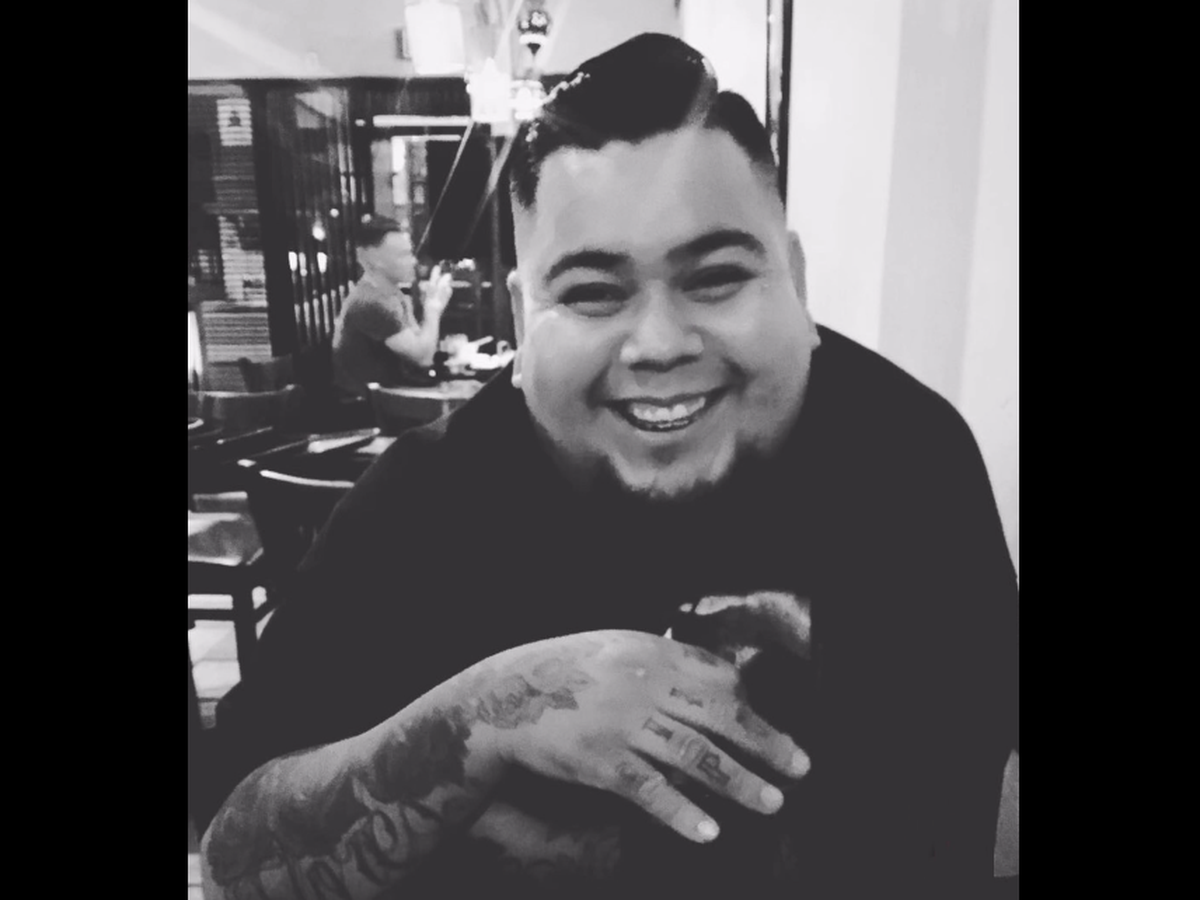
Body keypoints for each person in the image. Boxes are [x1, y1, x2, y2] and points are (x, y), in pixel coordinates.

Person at [197, 33, 1018, 900]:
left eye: (716, 276)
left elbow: (944, 827)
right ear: (523, 324)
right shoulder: (428, 499)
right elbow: (232, 862)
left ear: (798, 283)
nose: (658, 344)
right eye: (592, 292)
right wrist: (486, 711)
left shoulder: (907, 457)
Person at [331, 215, 454, 398]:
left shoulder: (394, 295)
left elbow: (420, 343)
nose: (413, 261)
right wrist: (433, 309)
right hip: (363, 407)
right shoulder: (371, 302)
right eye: (403, 255)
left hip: (389, 398)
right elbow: (423, 358)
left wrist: (432, 307)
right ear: (374, 258)